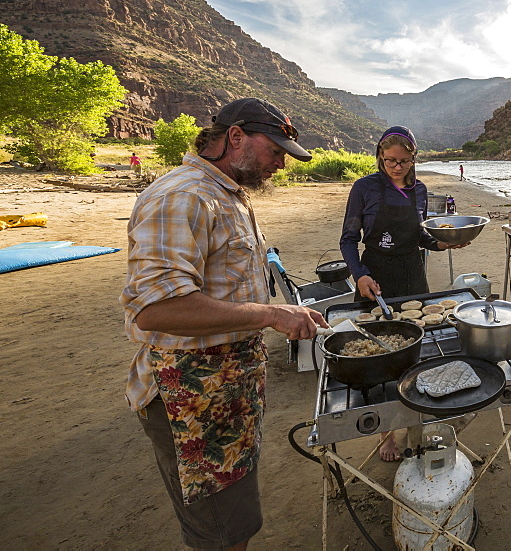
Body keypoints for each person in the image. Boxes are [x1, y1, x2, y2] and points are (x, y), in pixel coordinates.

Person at [121, 97, 329, 550]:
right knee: (221, 534)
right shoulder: (182, 197)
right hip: (189, 399)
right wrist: (274, 314)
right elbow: (156, 309)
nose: (280, 163)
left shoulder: (227, 194)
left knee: (234, 524)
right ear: (235, 137)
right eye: (274, 150)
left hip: (226, 389)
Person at [340, 125, 467, 460]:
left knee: (416, 349)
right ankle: (386, 435)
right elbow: (348, 239)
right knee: (378, 354)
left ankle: (416, 426)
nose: (396, 167)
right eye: (389, 160)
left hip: (412, 273)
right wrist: (359, 275)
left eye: (404, 161)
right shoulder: (364, 188)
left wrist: (442, 243)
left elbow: (422, 236)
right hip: (375, 273)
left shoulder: (420, 191)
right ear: (380, 157)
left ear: (414, 158)